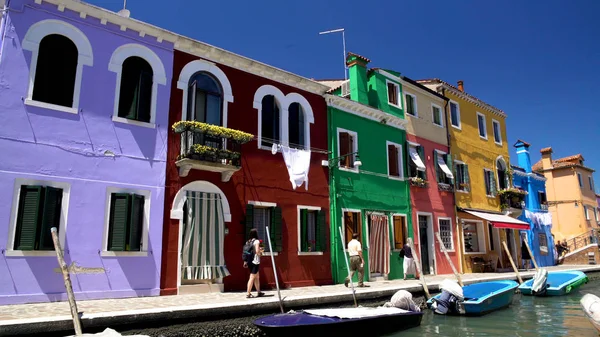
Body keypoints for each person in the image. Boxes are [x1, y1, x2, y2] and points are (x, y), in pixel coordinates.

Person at [244, 228, 265, 298]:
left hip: (249, 261)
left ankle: (259, 292)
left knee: (257, 277)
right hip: (255, 261)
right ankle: (248, 293)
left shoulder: (248, 242)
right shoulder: (256, 241)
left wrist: (245, 261)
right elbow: (256, 251)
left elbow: (246, 252)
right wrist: (261, 252)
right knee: (252, 277)